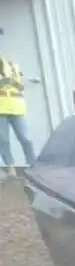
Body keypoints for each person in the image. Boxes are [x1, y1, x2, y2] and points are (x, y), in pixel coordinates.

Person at [0, 29, 34, 174]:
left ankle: (33, 165)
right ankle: (10, 169)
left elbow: (20, 84)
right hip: (1, 109)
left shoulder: (11, 64)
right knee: (3, 140)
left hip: (17, 108)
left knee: (25, 138)